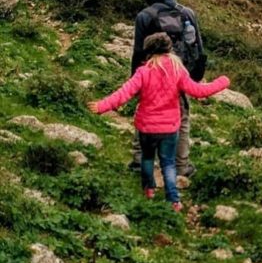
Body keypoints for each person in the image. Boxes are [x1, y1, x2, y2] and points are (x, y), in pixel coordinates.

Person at [89, 32, 230, 211]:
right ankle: (173, 200)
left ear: (148, 51)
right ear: (169, 48)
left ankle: (149, 190)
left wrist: (102, 106)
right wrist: (222, 82)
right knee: (168, 163)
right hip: (170, 128)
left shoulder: (143, 71)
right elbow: (198, 91)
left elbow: (124, 93)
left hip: (146, 127)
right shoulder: (178, 70)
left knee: (147, 159)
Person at [130, 0, 207, 178]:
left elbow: (139, 53)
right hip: (180, 75)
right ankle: (181, 166)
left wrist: (135, 82)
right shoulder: (187, 14)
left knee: (145, 112)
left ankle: (139, 160)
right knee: (181, 119)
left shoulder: (145, 16)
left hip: (152, 75)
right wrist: (195, 77)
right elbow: (199, 49)